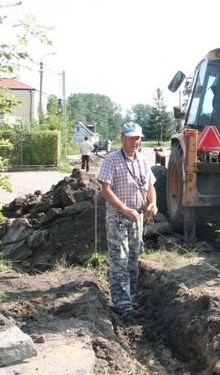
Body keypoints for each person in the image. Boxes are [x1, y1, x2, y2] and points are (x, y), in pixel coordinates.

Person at [97, 122, 158, 319]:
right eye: (131, 138)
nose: (135, 142)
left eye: (138, 138)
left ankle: (131, 296)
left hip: (137, 216)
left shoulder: (143, 160)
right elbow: (105, 190)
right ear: (122, 138)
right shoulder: (112, 160)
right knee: (119, 259)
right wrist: (124, 208)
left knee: (133, 258)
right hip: (118, 217)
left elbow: (150, 186)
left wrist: (153, 203)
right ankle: (121, 302)